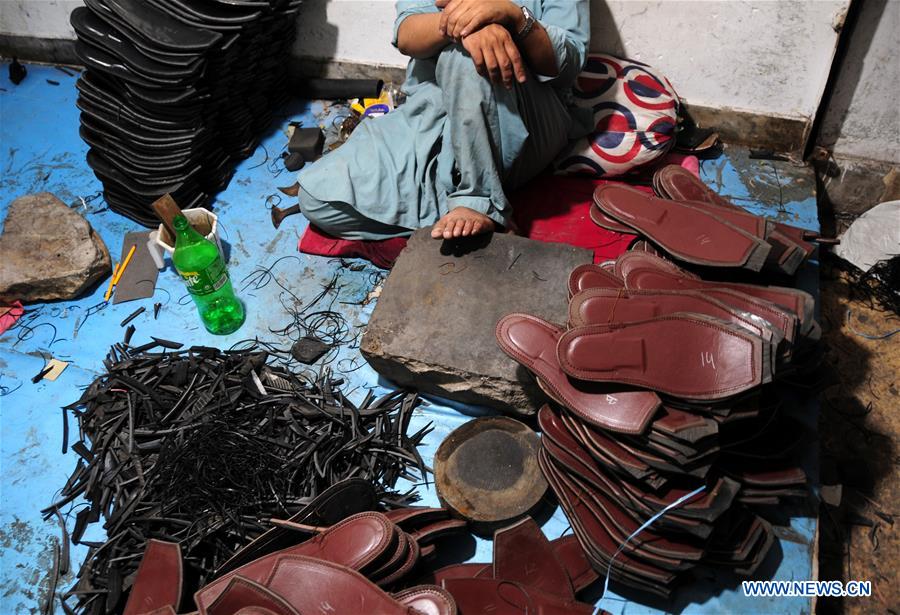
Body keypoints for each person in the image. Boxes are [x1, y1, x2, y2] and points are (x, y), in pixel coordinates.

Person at [296, 0, 592, 241]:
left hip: (526, 118)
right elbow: (407, 33)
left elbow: (568, 65)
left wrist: (512, 17)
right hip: (435, 112)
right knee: (318, 200)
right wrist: (465, 27)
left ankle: (479, 199)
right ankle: (470, 215)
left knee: (465, 58)